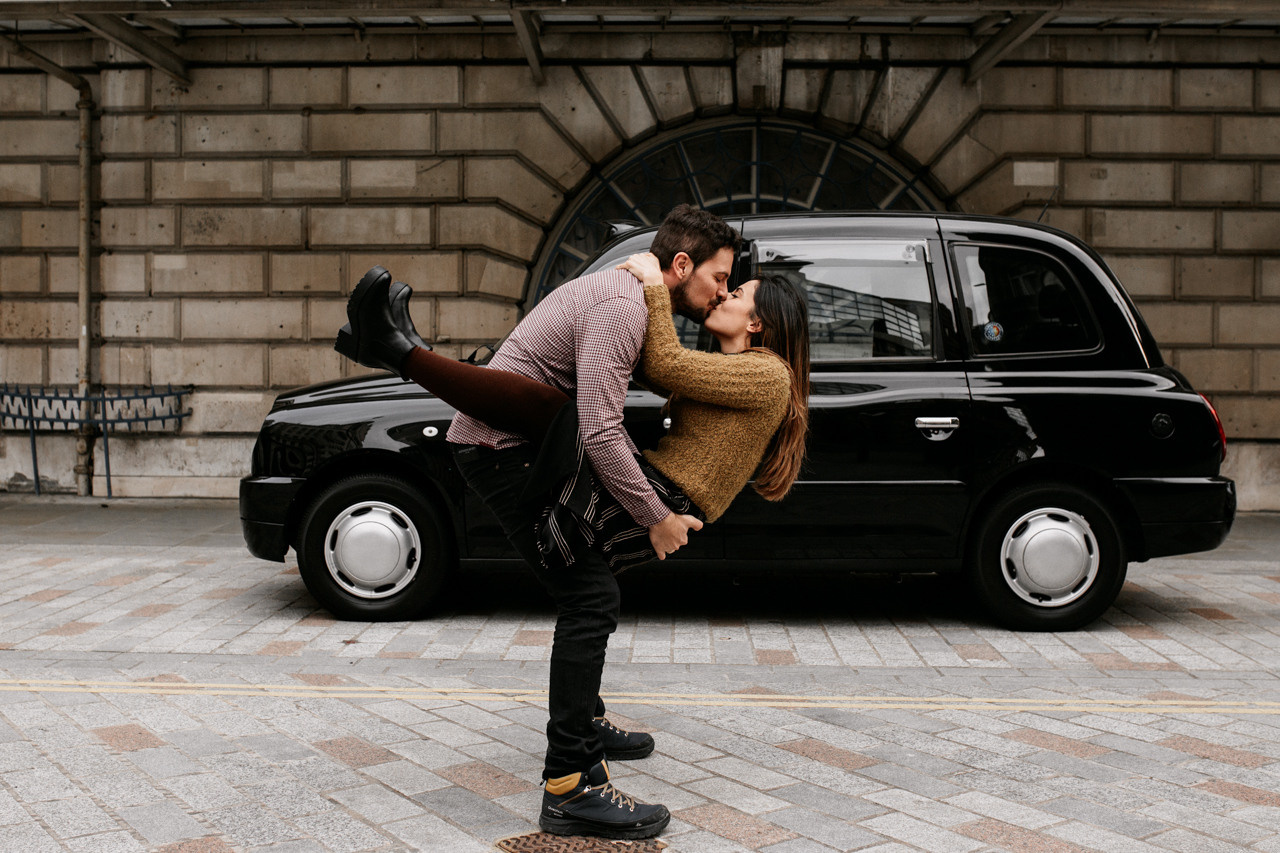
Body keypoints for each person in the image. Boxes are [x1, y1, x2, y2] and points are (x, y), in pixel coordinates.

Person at [336, 205, 742, 840]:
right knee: (590, 597)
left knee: (594, 574)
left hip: (526, 444)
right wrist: (657, 515)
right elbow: (600, 431)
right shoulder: (622, 304)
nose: (722, 291)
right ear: (682, 264)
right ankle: (570, 786)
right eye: (719, 277)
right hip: (503, 453)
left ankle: (585, 720)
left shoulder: (628, 297)